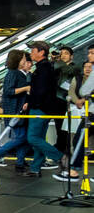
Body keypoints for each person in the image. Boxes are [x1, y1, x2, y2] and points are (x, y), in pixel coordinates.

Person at [17, 41, 64, 176]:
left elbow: (40, 90)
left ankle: (60, 157)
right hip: (45, 107)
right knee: (39, 138)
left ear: (41, 52)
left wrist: (31, 102)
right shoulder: (45, 67)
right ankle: (35, 168)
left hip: (39, 107)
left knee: (32, 138)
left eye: (33, 50)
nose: (31, 53)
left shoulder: (43, 69)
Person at [0, 49, 33, 172]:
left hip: (19, 109)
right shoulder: (12, 73)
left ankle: (20, 162)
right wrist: (25, 88)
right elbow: (8, 91)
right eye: (23, 58)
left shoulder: (18, 73)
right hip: (14, 109)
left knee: (23, 137)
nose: (26, 60)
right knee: (21, 137)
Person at [59, 59, 94, 181]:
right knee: (77, 138)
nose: (88, 68)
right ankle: (74, 169)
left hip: (90, 111)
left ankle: (74, 170)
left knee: (80, 137)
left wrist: (83, 99)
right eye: (86, 66)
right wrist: (77, 101)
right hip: (82, 110)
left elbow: (84, 92)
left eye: (90, 66)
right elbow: (72, 92)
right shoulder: (77, 78)